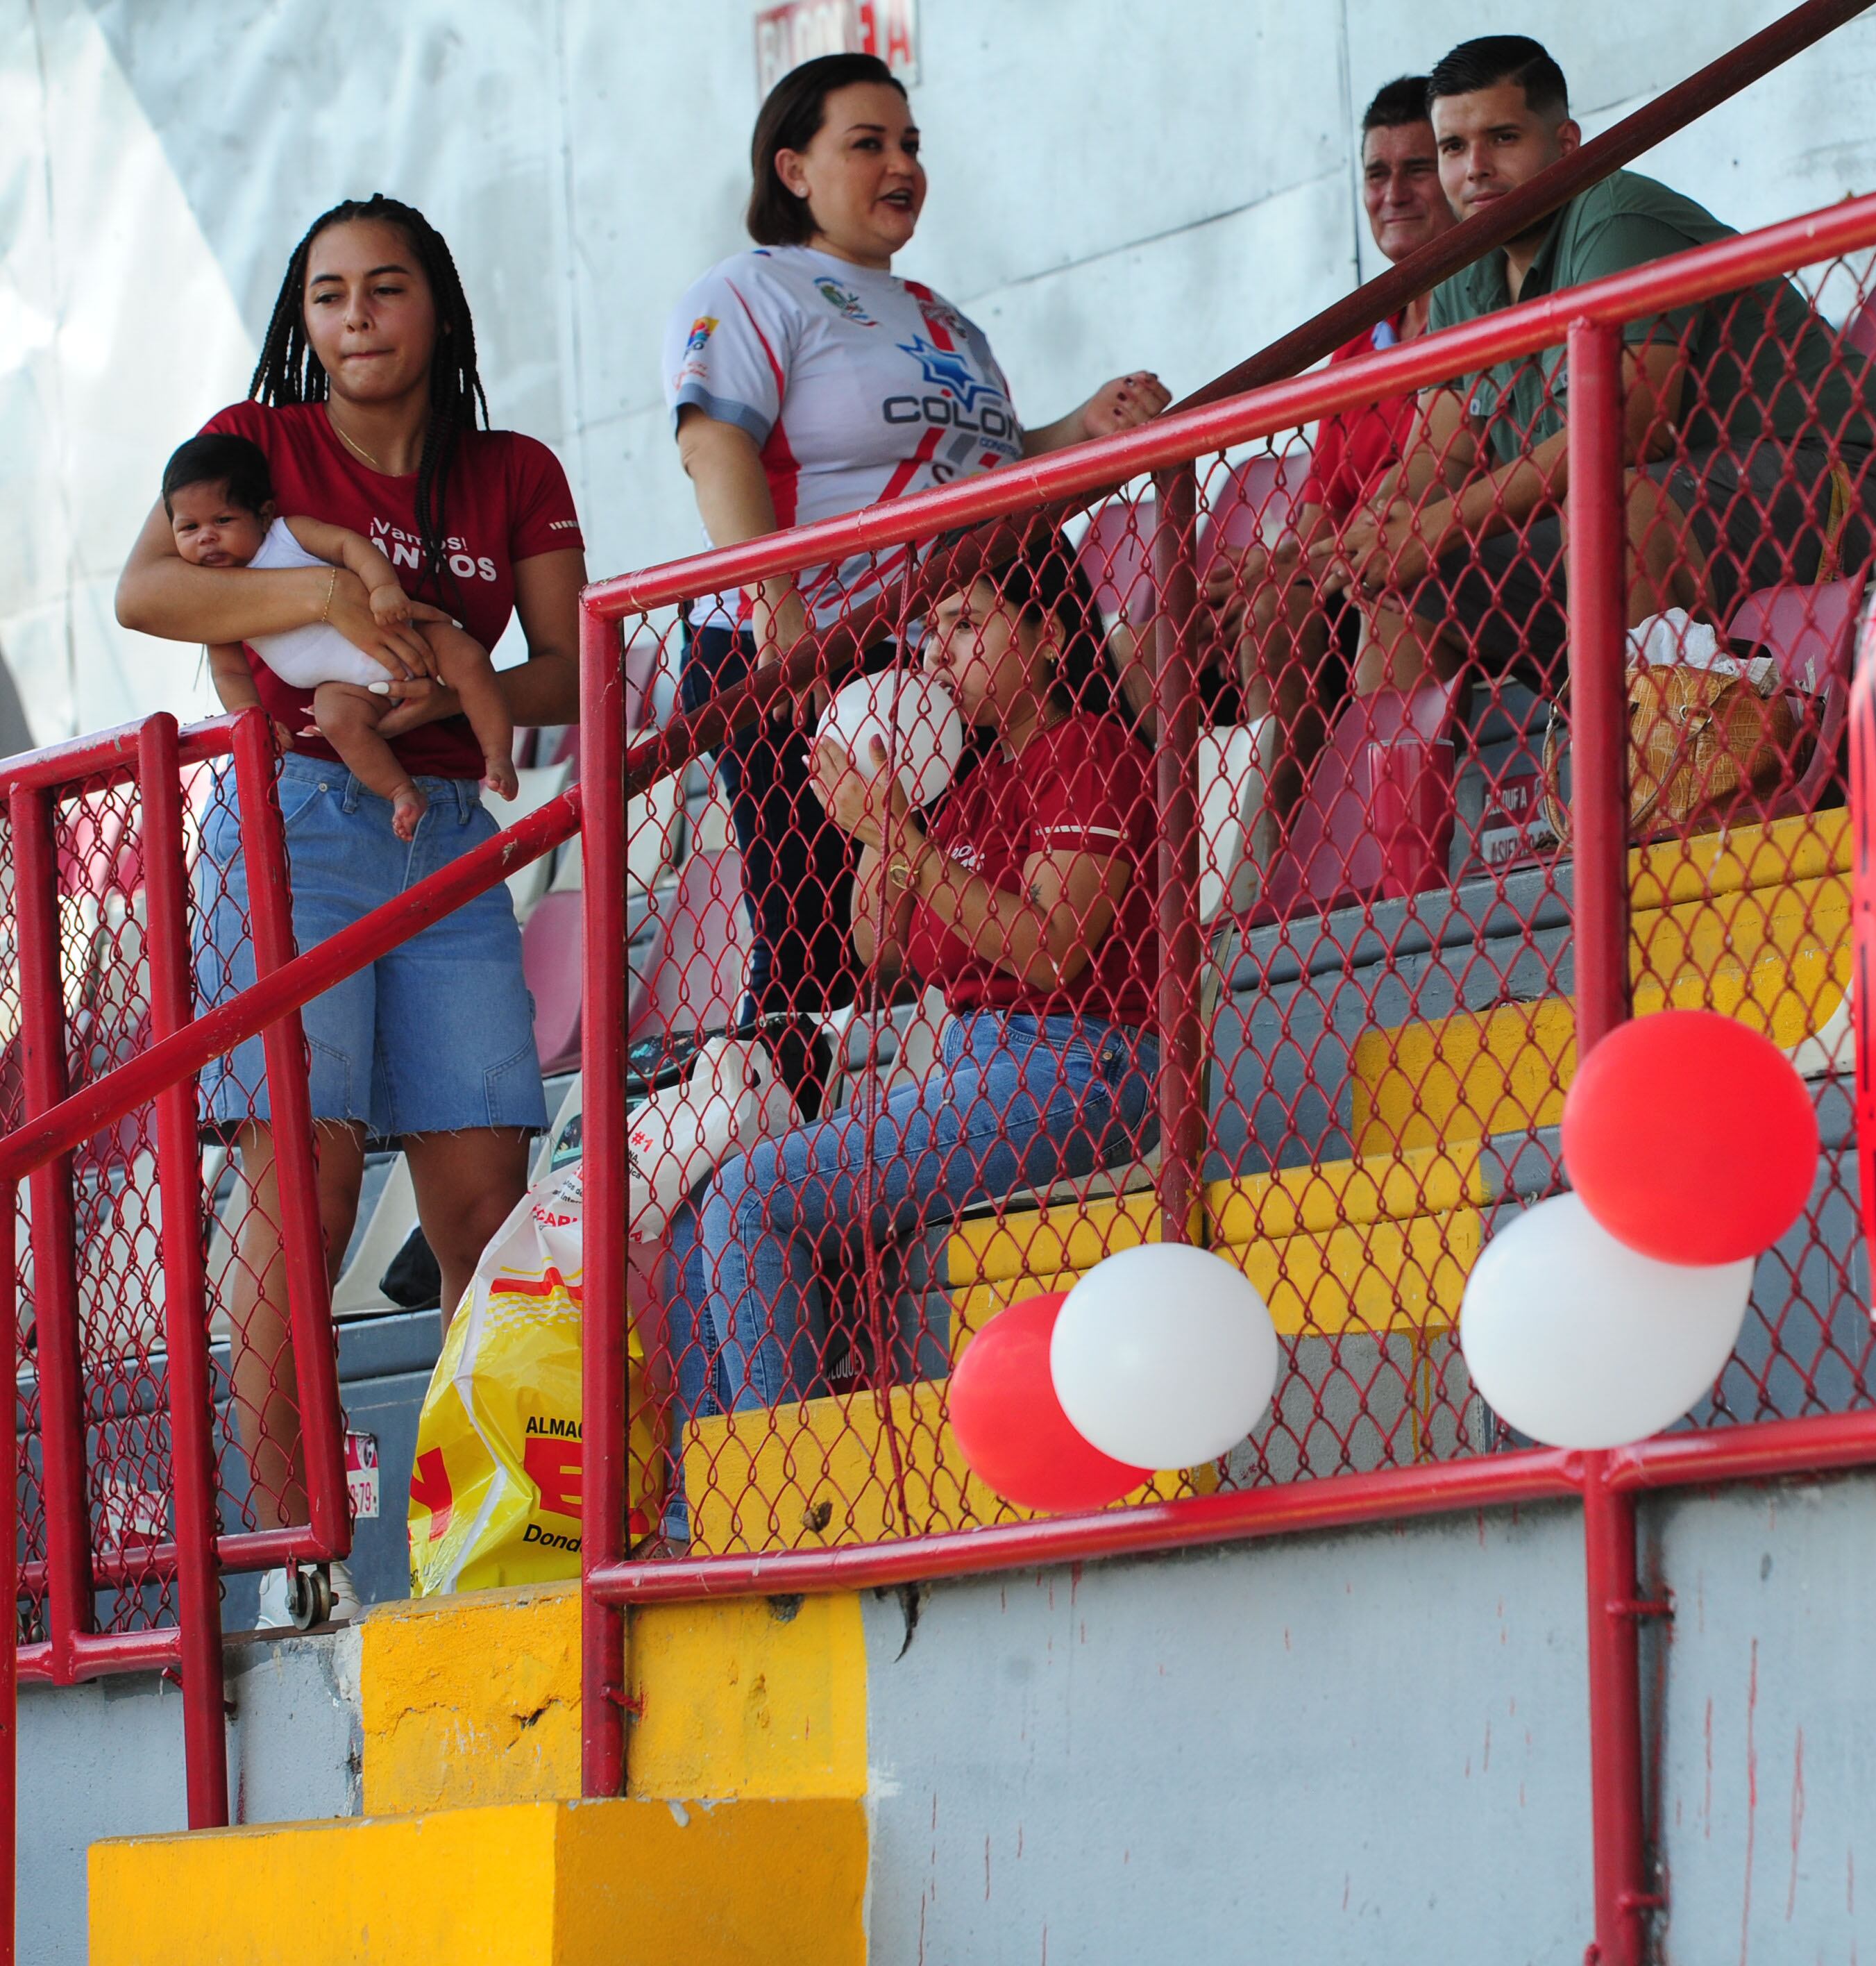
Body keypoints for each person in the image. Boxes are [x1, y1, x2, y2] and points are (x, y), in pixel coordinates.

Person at [113, 196, 587, 1620]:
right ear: (304, 322)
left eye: (385, 289)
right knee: (300, 1191)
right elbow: (148, 592)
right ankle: (288, 1554)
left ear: (437, 305)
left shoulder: (514, 469)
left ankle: (484, 1543)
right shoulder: (256, 445)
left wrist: (454, 689)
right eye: (327, 296)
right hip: (302, 819)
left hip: (445, 829)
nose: (356, 317)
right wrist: (328, 586)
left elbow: (570, 663)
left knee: (481, 1201)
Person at [668, 51, 1172, 1016]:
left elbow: (986, 467)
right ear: (793, 170)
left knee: (994, 917)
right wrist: (781, 613)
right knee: (822, 953)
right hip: (811, 655)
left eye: (910, 144)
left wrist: (1083, 427)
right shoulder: (750, 289)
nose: (901, 164)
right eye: (867, 144)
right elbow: (714, 446)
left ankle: (1046, 1094)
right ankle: (802, 1144)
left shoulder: (945, 318)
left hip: (950, 657)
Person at [675, 539, 1156, 1433]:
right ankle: (720, 1501)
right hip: (973, 1070)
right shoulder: (963, 784)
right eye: (929, 631)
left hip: (1089, 1063)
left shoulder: (1091, 748)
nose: (936, 654)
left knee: (750, 1196)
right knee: (707, 1197)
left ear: (1048, 636)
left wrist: (905, 841)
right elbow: (876, 947)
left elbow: (1051, 953)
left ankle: (787, 1499)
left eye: (967, 624)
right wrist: (881, 818)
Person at [1330, 35, 1876, 694]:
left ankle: (1656, 785)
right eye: (1453, 147)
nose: (1474, 168)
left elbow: (1627, 431)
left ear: (1566, 145)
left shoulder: (1615, 217)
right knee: (1406, 577)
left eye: (1502, 138)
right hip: (1678, 515)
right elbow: (1439, 456)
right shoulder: (1464, 268)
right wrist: (1388, 522)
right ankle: (1395, 793)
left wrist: (1443, 522)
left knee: (1619, 502)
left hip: (1854, 486)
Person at [1183, 72, 1460, 823]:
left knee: (1278, 610)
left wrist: (1288, 570)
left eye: (1416, 168)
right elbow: (1320, 509)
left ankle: (1296, 854)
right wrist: (1269, 565)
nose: (1393, 192)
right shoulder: (1354, 345)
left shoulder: (1482, 307)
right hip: (1342, 569)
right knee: (1168, 628)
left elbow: (1420, 493)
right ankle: (1204, 865)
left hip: (1438, 560)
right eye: (1377, 173)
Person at [165, 432, 518, 843]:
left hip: (407, 636)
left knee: (469, 659)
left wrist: (383, 587)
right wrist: (255, 719)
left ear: (262, 515)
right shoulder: (210, 599)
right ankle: (401, 792)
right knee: (335, 719)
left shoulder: (287, 535)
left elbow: (350, 546)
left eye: (222, 521)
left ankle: (497, 756)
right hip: (347, 687)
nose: (206, 536)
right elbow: (230, 673)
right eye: (188, 528)